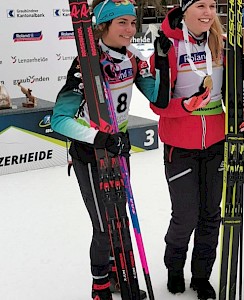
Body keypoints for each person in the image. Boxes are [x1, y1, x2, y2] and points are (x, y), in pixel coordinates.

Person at [51, 0, 164, 299]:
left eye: (132, 22)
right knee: (103, 225)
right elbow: (59, 120)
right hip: (91, 154)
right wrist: (98, 138)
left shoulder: (134, 58)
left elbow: (157, 97)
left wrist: (162, 64)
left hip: (118, 148)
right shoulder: (85, 65)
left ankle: (118, 272)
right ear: (103, 26)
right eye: (122, 23)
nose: (130, 29)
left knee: (120, 219)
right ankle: (99, 284)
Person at [148, 0, 244, 299]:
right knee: (185, 215)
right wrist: (184, 106)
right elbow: (157, 103)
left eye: (211, 6)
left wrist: (240, 114)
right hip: (180, 143)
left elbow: (235, 90)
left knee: (210, 214)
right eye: (200, 6)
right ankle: (174, 268)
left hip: (217, 142)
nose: (208, 12)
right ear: (185, 11)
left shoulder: (223, 45)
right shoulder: (168, 47)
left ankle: (202, 275)